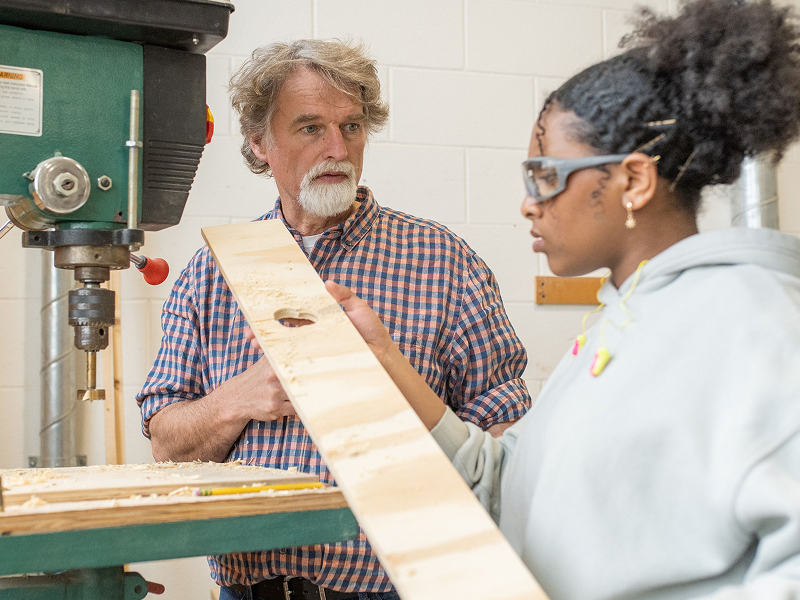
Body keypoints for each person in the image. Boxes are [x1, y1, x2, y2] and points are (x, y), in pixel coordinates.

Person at [320, 0, 800, 598]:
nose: (529, 203)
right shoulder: (617, 325)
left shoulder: (758, 325)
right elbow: (508, 486)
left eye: (545, 176)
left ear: (633, 181)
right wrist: (387, 362)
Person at [136, 39, 530, 600]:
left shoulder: (442, 261)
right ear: (258, 142)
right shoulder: (212, 270)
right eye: (310, 128)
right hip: (250, 591)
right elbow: (167, 446)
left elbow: (504, 437)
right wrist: (244, 397)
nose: (337, 148)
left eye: (351, 126)